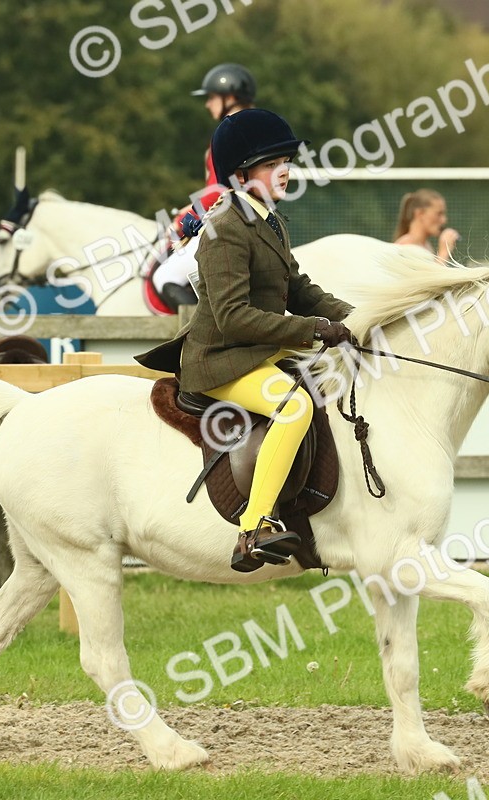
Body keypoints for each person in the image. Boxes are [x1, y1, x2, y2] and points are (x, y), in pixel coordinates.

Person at [137, 109, 355, 573]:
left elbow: (298, 288)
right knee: (293, 406)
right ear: (240, 174)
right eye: (272, 163)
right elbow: (234, 318)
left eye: (286, 161)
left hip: (260, 352)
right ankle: (254, 527)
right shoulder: (224, 229)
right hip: (221, 361)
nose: (286, 170)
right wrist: (314, 329)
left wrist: (358, 319)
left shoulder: (268, 220)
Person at [151, 64, 259, 313]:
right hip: (242, 217)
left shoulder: (233, 131)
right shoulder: (251, 128)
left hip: (232, 222)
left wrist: (186, 215)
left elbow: (224, 188)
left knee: (164, 278)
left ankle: (206, 340)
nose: (207, 104)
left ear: (230, 98)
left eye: (211, 97)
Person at [394, 189, 460, 264]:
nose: (444, 220)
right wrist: (444, 252)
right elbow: (431, 275)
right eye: (439, 214)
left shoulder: (425, 245)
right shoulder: (405, 246)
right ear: (420, 214)